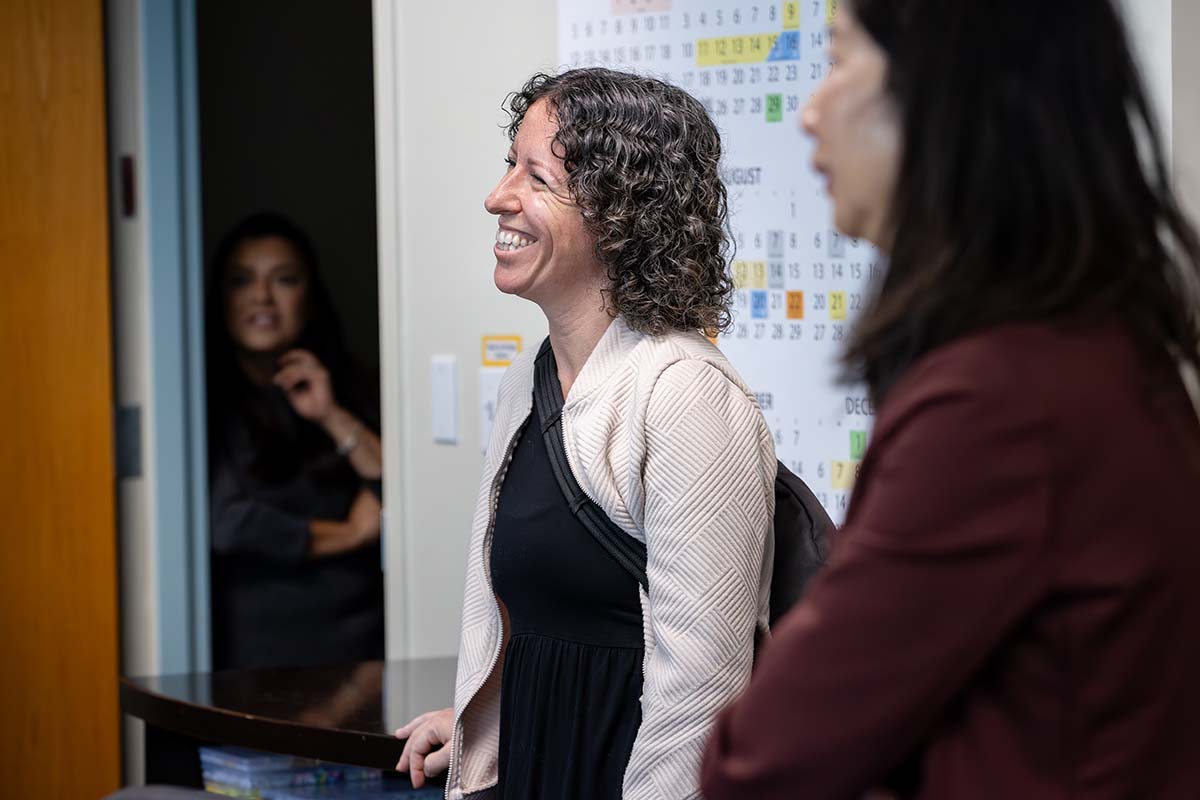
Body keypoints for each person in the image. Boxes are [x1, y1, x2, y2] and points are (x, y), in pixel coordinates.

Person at [701, 1, 1200, 798]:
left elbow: (763, 759)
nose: (810, 110)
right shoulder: (1098, 353)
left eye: (837, 59)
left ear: (943, 88)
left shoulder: (1000, 406)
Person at [395, 68, 777, 799]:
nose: (497, 196)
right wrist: (486, 722)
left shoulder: (686, 393)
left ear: (619, 213)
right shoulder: (526, 382)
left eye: (534, 176)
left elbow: (701, 696)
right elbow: (548, 624)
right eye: (510, 164)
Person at [206, 212, 385, 670]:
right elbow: (229, 524)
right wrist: (350, 533)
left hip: (365, 642)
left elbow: (400, 490)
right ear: (220, 297)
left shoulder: (350, 386)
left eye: (284, 280)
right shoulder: (199, 400)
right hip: (260, 650)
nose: (262, 298)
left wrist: (328, 414)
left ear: (310, 296)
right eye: (242, 281)